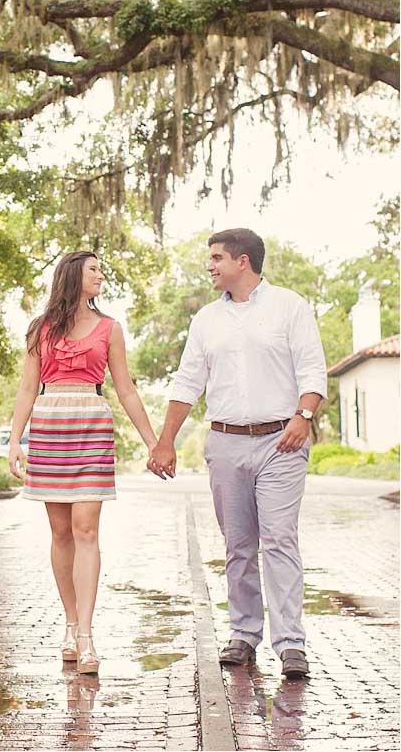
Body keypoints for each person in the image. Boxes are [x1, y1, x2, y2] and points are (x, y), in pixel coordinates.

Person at [149, 228, 325, 680]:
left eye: (216, 258)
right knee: (238, 546)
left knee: (280, 540)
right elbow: (188, 383)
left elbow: (312, 368)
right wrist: (165, 440)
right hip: (226, 443)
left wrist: (303, 416)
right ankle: (244, 634)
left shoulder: (290, 306)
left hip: (280, 442)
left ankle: (291, 644)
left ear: (242, 261)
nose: (209, 265)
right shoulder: (206, 319)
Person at [7, 251, 158, 674]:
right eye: (94, 269)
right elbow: (25, 389)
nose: (101, 275)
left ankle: (88, 635)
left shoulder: (111, 329)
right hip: (50, 424)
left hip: (91, 423)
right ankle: (70, 625)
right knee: (60, 532)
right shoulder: (41, 329)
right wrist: (14, 441)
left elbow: (125, 389)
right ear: (73, 275)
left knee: (86, 529)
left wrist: (152, 442)